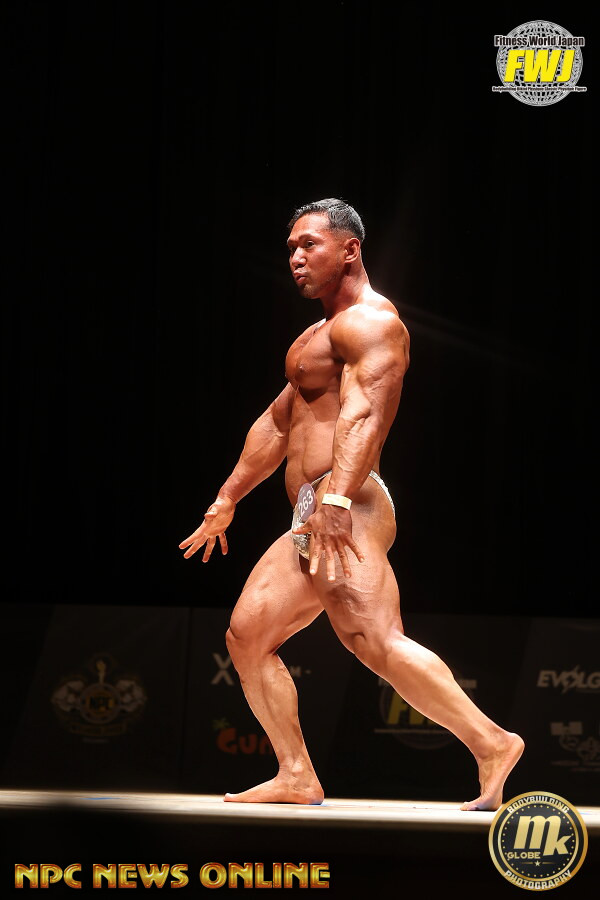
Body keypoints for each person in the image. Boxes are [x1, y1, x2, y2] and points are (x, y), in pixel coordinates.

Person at [179, 198, 523, 810]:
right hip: (313, 509)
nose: (296, 257)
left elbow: (368, 414)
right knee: (247, 636)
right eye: (291, 247)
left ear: (350, 249)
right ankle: (296, 774)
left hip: (350, 501)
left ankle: (493, 743)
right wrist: (227, 498)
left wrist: (336, 495)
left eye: (309, 244)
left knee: (373, 638)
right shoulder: (315, 337)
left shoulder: (372, 323)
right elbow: (278, 422)